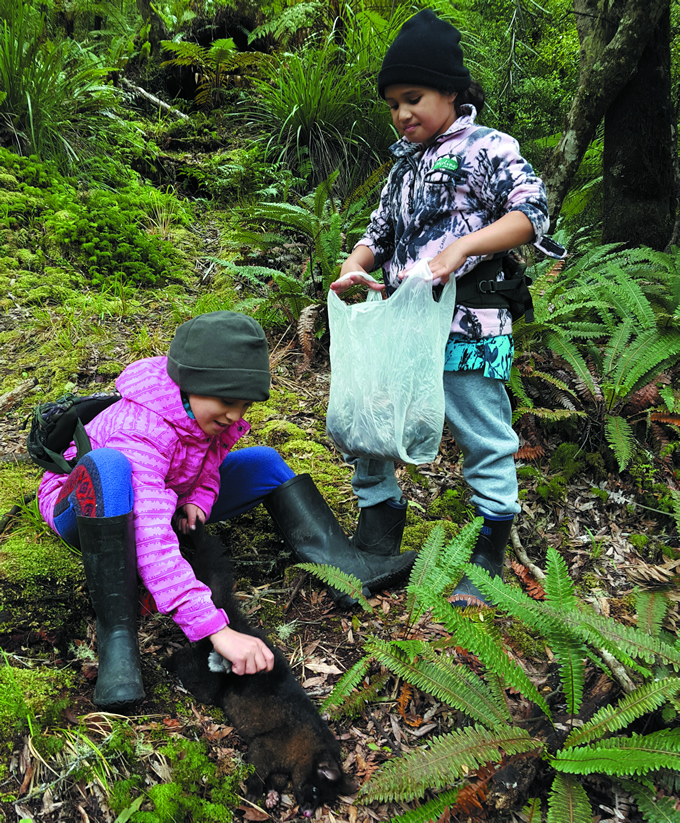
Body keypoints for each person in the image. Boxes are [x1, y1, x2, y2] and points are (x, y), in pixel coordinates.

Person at [37, 311, 415, 710]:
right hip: (90, 510)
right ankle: (117, 637)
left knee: (266, 462)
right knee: (113, 469)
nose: (236, 415)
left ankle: (344, 568)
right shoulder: (141, 429)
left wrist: (197, 500)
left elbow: (207, 465)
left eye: (245, 405)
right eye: (228, 402)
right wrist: (216, 630)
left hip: (165, 492)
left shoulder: (205, 413)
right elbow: (150, 533)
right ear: (191, 384)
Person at [331, 10, 551, 606]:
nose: (403, 114)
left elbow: (532, 215)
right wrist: (356, 264)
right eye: (393, 104)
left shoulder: (487, 147)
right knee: (365, 418)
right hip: (402, 324)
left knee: (482, 432)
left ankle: (489, 550)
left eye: (414, 98)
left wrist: (463, 248)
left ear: (450, 92)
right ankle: (379, 525)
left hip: (468, 322)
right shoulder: (403, 163)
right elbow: (377, 233)